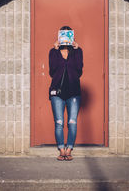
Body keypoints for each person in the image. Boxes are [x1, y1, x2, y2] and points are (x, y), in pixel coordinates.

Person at [49, 26, 83, 161]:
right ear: (59, 37)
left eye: (68, 35)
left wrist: (77, 49)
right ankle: (61, 150)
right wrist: (56, 51)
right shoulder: (53, 52)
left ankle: (69, 149)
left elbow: (79, 69)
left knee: (72, 122)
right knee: (59, 122)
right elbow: (52, 69)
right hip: (57, 93)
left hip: (73, 93)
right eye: (63, 35)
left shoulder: (77, 51)